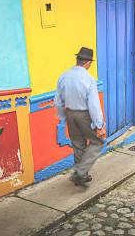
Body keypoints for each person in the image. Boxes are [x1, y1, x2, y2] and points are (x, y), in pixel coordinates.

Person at [54, 47, 106, 186]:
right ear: (88, 63)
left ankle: (81, 176)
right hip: (84, 115)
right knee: (98, 141)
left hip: (70, 113)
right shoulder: (88, 79)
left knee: (78, 144)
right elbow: (94, 105)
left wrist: (63, 117)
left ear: (78, 60)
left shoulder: (64, 76)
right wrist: (99, 125)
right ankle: (81, 171)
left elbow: (58, 100)